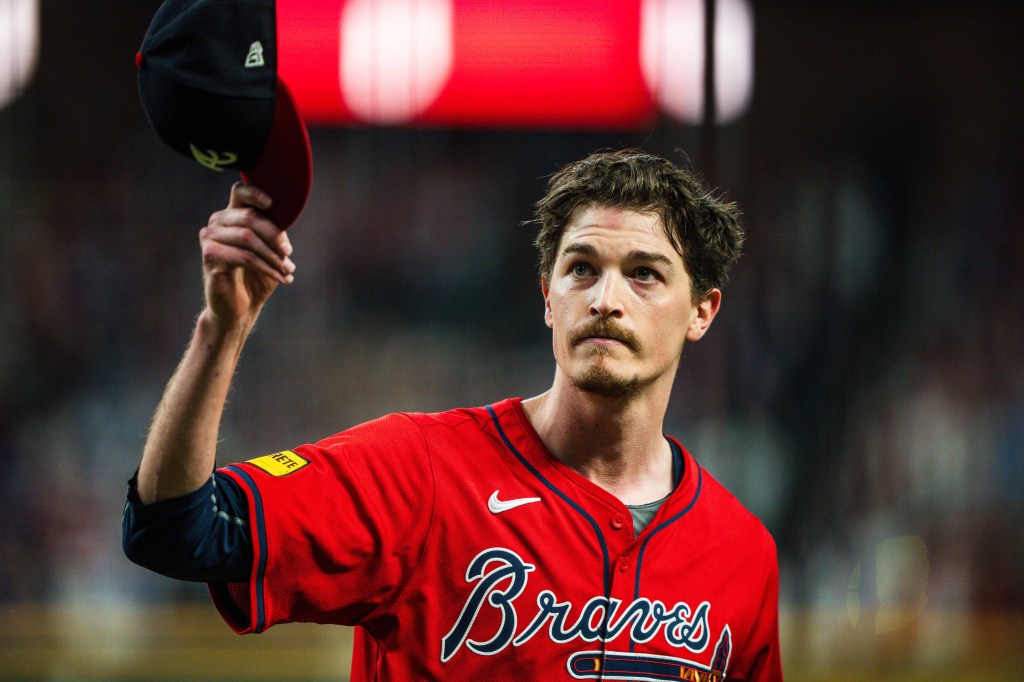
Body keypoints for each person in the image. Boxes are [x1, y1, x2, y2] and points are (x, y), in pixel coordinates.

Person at [123, 149, 782, 680]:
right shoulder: (421, 471)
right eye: (581, 269)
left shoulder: (743, 553)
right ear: (548, 298)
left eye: (644, 273)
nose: (606, 298)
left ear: (702, 310)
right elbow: (176, 530)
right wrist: (222, 329)